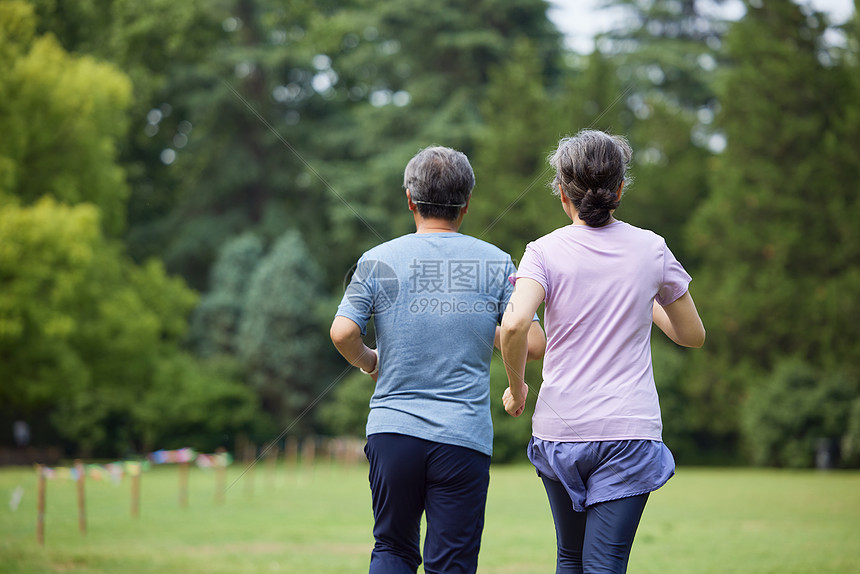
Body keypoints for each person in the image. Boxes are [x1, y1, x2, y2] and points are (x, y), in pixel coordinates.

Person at [331, 146, 546, 574]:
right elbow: (533, 341)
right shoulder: (496, 262)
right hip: (462, 436)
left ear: (409, 199)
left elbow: (342, 332)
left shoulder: (377, 261)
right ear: (467, 202)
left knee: (392, 549)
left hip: (392, 430)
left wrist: (371, 363)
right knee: (452, 564)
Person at [500, 130, 705, 574]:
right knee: (605, 562)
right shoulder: (652, 249)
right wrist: (645, 297)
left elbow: (515, 324)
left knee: (569, 559)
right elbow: (692, 335)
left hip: (559, 431)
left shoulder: (542, 251)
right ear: (618, 190)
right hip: (629, 431)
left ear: (561, 193)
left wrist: (517, 389)